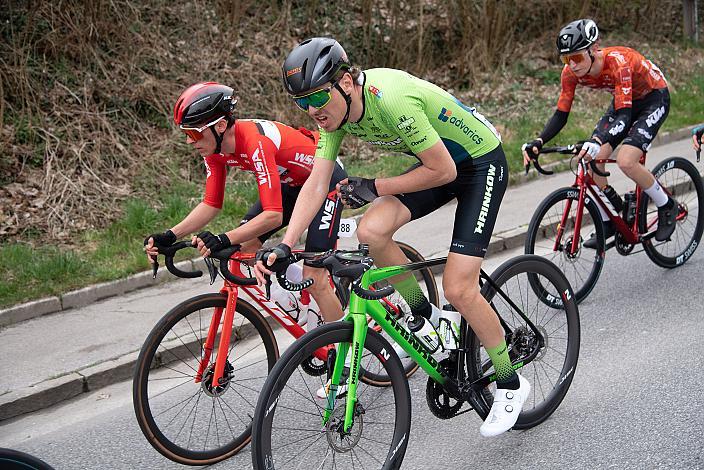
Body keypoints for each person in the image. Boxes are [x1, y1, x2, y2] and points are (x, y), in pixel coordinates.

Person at [254, 37, 528, 437]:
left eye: (316, 98)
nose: (313, 112)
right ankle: (429, 320)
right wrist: (286, 243)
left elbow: (445, 173)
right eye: (301, 104)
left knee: (459, 288)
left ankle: (509, 380)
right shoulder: (335, 117)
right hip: (438, 164)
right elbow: (315, 184)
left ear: (346, 82)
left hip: (479, 164)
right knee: (371, 230)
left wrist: (375, 185)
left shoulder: (391, 99)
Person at [144, 81, 346, 323]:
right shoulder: (215, 152)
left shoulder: (255, 142)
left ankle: (342, 349)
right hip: (293, 185)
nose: (189, 141)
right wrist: (171, 234)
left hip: (326, 182)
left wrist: (222, 238)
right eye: (186, 134)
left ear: (220, 126)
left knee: (315, 276)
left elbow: (273, 216)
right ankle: (301, 300)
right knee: (246, 247)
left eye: (194, 133)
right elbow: (211, 204)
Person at [522, 19, 677, 247]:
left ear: (594, 50)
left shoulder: (618, 62)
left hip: (653, 98)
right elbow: (561, 115)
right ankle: (610, 220)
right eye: (566, 59)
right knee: (589, 160)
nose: (572, 65)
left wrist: (597, 139)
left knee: (626, 161)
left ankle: (667, 206)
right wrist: (538, 141)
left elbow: (624, 117)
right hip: (625, 101)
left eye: (576, 57)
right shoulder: (570, 73)